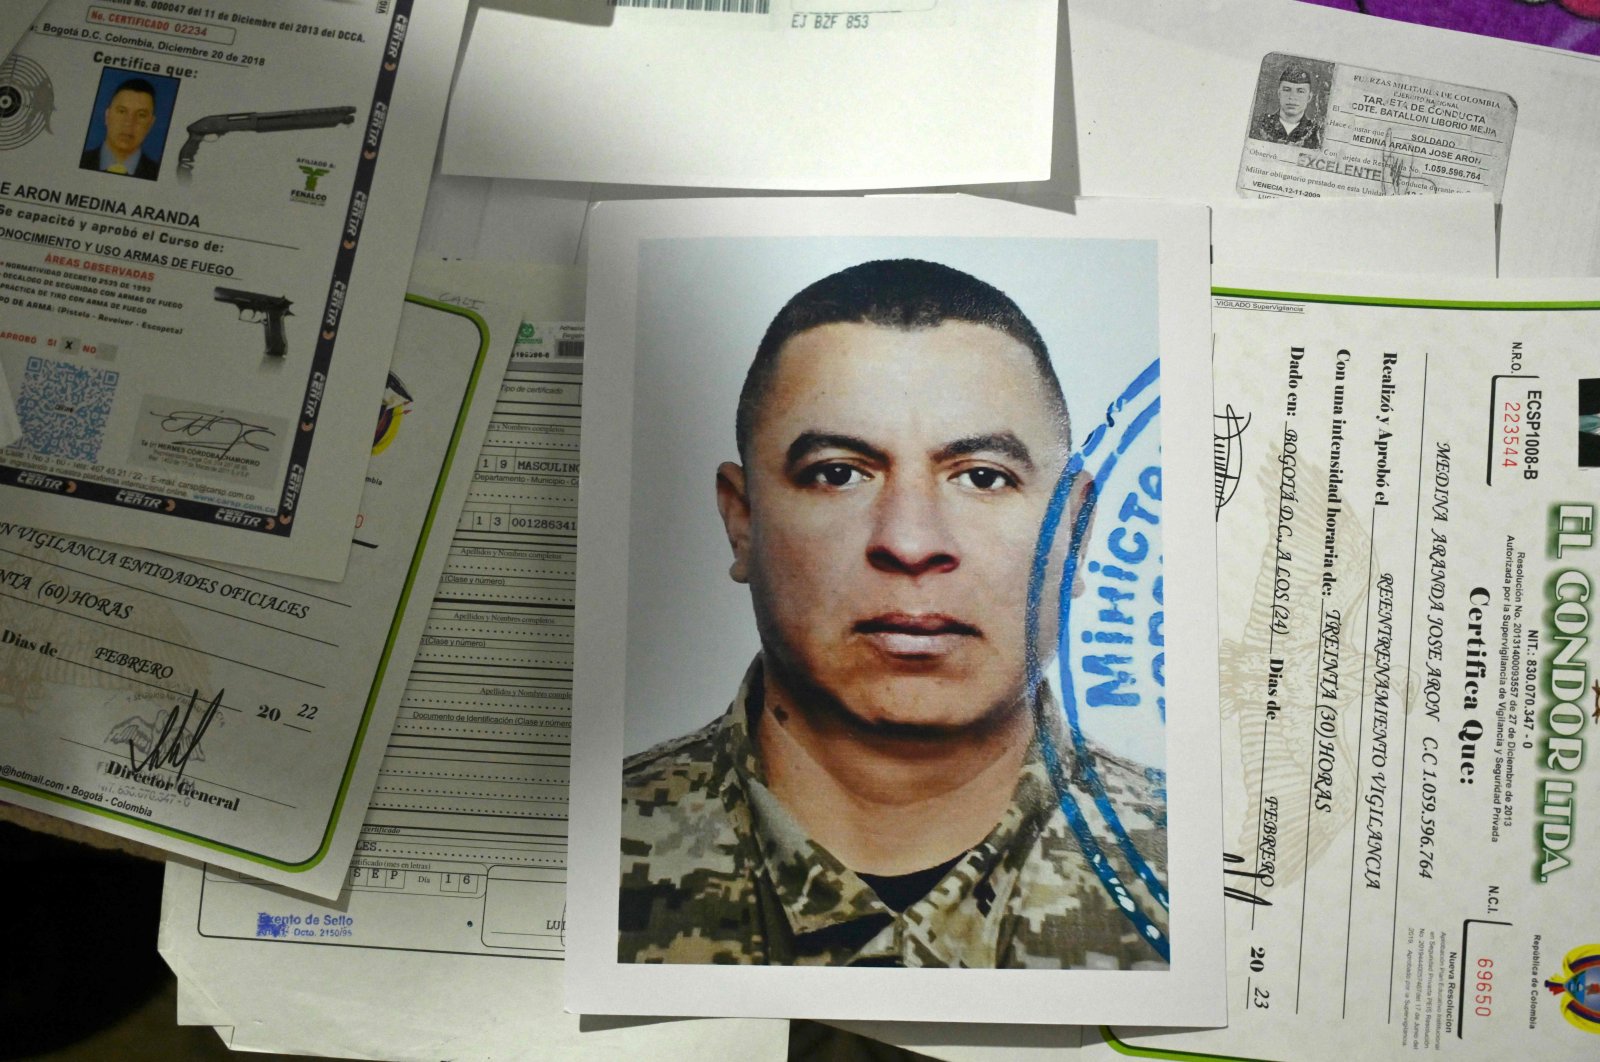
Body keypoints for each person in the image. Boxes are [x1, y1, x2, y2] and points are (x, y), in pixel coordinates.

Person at [618, 258, 1169, 968]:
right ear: (742, 522)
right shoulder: (583, 849)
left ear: (1076, 531)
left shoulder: (1199, 881)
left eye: (982, 477)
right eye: (838, 473)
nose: (911, 543)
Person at [79, 77, 162, 180]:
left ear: (151, 124)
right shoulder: (76, 160)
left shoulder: (160, 174)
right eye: (122, 111)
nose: (129, 123)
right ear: (107, 116)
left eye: (141, 115)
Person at [1250, 64, 1322, 149]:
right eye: (1287, 90)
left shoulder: (1317, 133)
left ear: (1309, 97)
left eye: (1300, 91)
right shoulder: (1259, 125)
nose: (1292, 97)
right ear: (1279, 94)